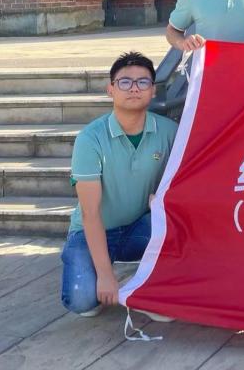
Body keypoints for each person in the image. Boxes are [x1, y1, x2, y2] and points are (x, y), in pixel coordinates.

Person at [61, 52, 178, 318]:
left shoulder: (169, 132)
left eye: (143, 82)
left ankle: (147, 288)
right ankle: (107, 268)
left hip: (139, 227)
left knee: (176, 225)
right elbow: (90, 212)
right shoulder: (90, 139)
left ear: (153, 90)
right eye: (125, 82)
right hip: (94, 230)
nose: (134, 88)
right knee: (82, 301)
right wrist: (104, 275)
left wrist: (163, 199)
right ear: (110, 90)